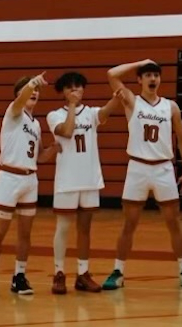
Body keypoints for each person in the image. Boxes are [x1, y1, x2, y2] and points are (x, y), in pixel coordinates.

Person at [101, 59, 182, 290]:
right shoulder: (131, 101)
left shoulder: (170, 106)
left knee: (173, 222)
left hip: (164, 168)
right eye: (148, 75)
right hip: (138, 167)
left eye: (156, 75)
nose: (153, 78)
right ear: (140, 79)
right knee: (129, 224)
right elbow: (111, 73)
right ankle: (118, 270)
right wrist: (141, 62)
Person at [0, 73, 60, 298]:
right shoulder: (13, 113)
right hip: (9, 178)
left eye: (36, 91)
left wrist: (56, 148)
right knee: (0, 231)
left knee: (25, 233)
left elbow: (40, 156)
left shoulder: (35, 124)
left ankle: (19, 276)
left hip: (29, 179)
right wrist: (34, 81)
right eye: (29, 89)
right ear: (19, 95)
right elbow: (22, 96)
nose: (34, 92)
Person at [46, 72, 123, 294]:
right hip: (67, 180)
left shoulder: (91, 113)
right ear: (62, 91)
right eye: (70, 88)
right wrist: (71, 106)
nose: (75, 91)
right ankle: (59, 273)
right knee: (63, 227)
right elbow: (68, 132)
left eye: (78, 87)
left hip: (89, 179)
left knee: (85, 229)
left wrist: (118, 97)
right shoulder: (54, 115)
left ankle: (83, 273)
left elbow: (108, 110)